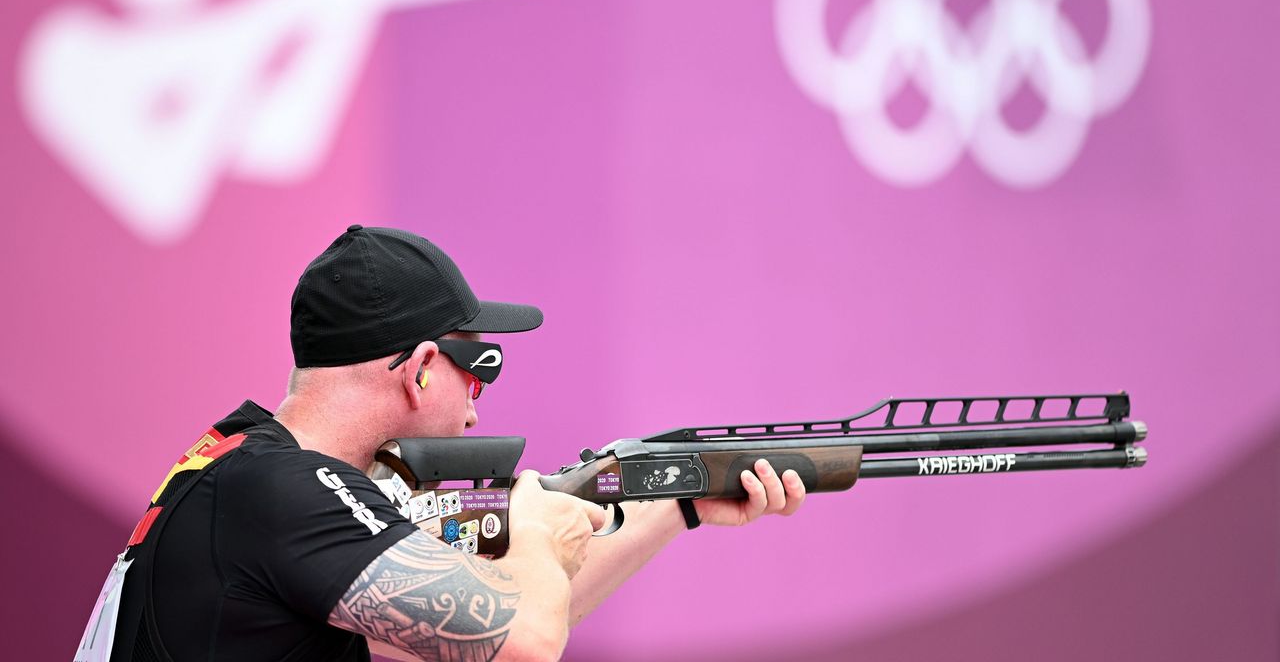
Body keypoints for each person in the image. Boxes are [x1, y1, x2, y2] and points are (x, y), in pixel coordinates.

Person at [96, 225, 806, 662]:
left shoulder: (251, 464)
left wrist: (674, 505)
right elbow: (524, 643)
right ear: (422, 370)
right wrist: (528, 527)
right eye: (481, 366)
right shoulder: (287, 492)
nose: (481, 396)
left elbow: (485, 625)